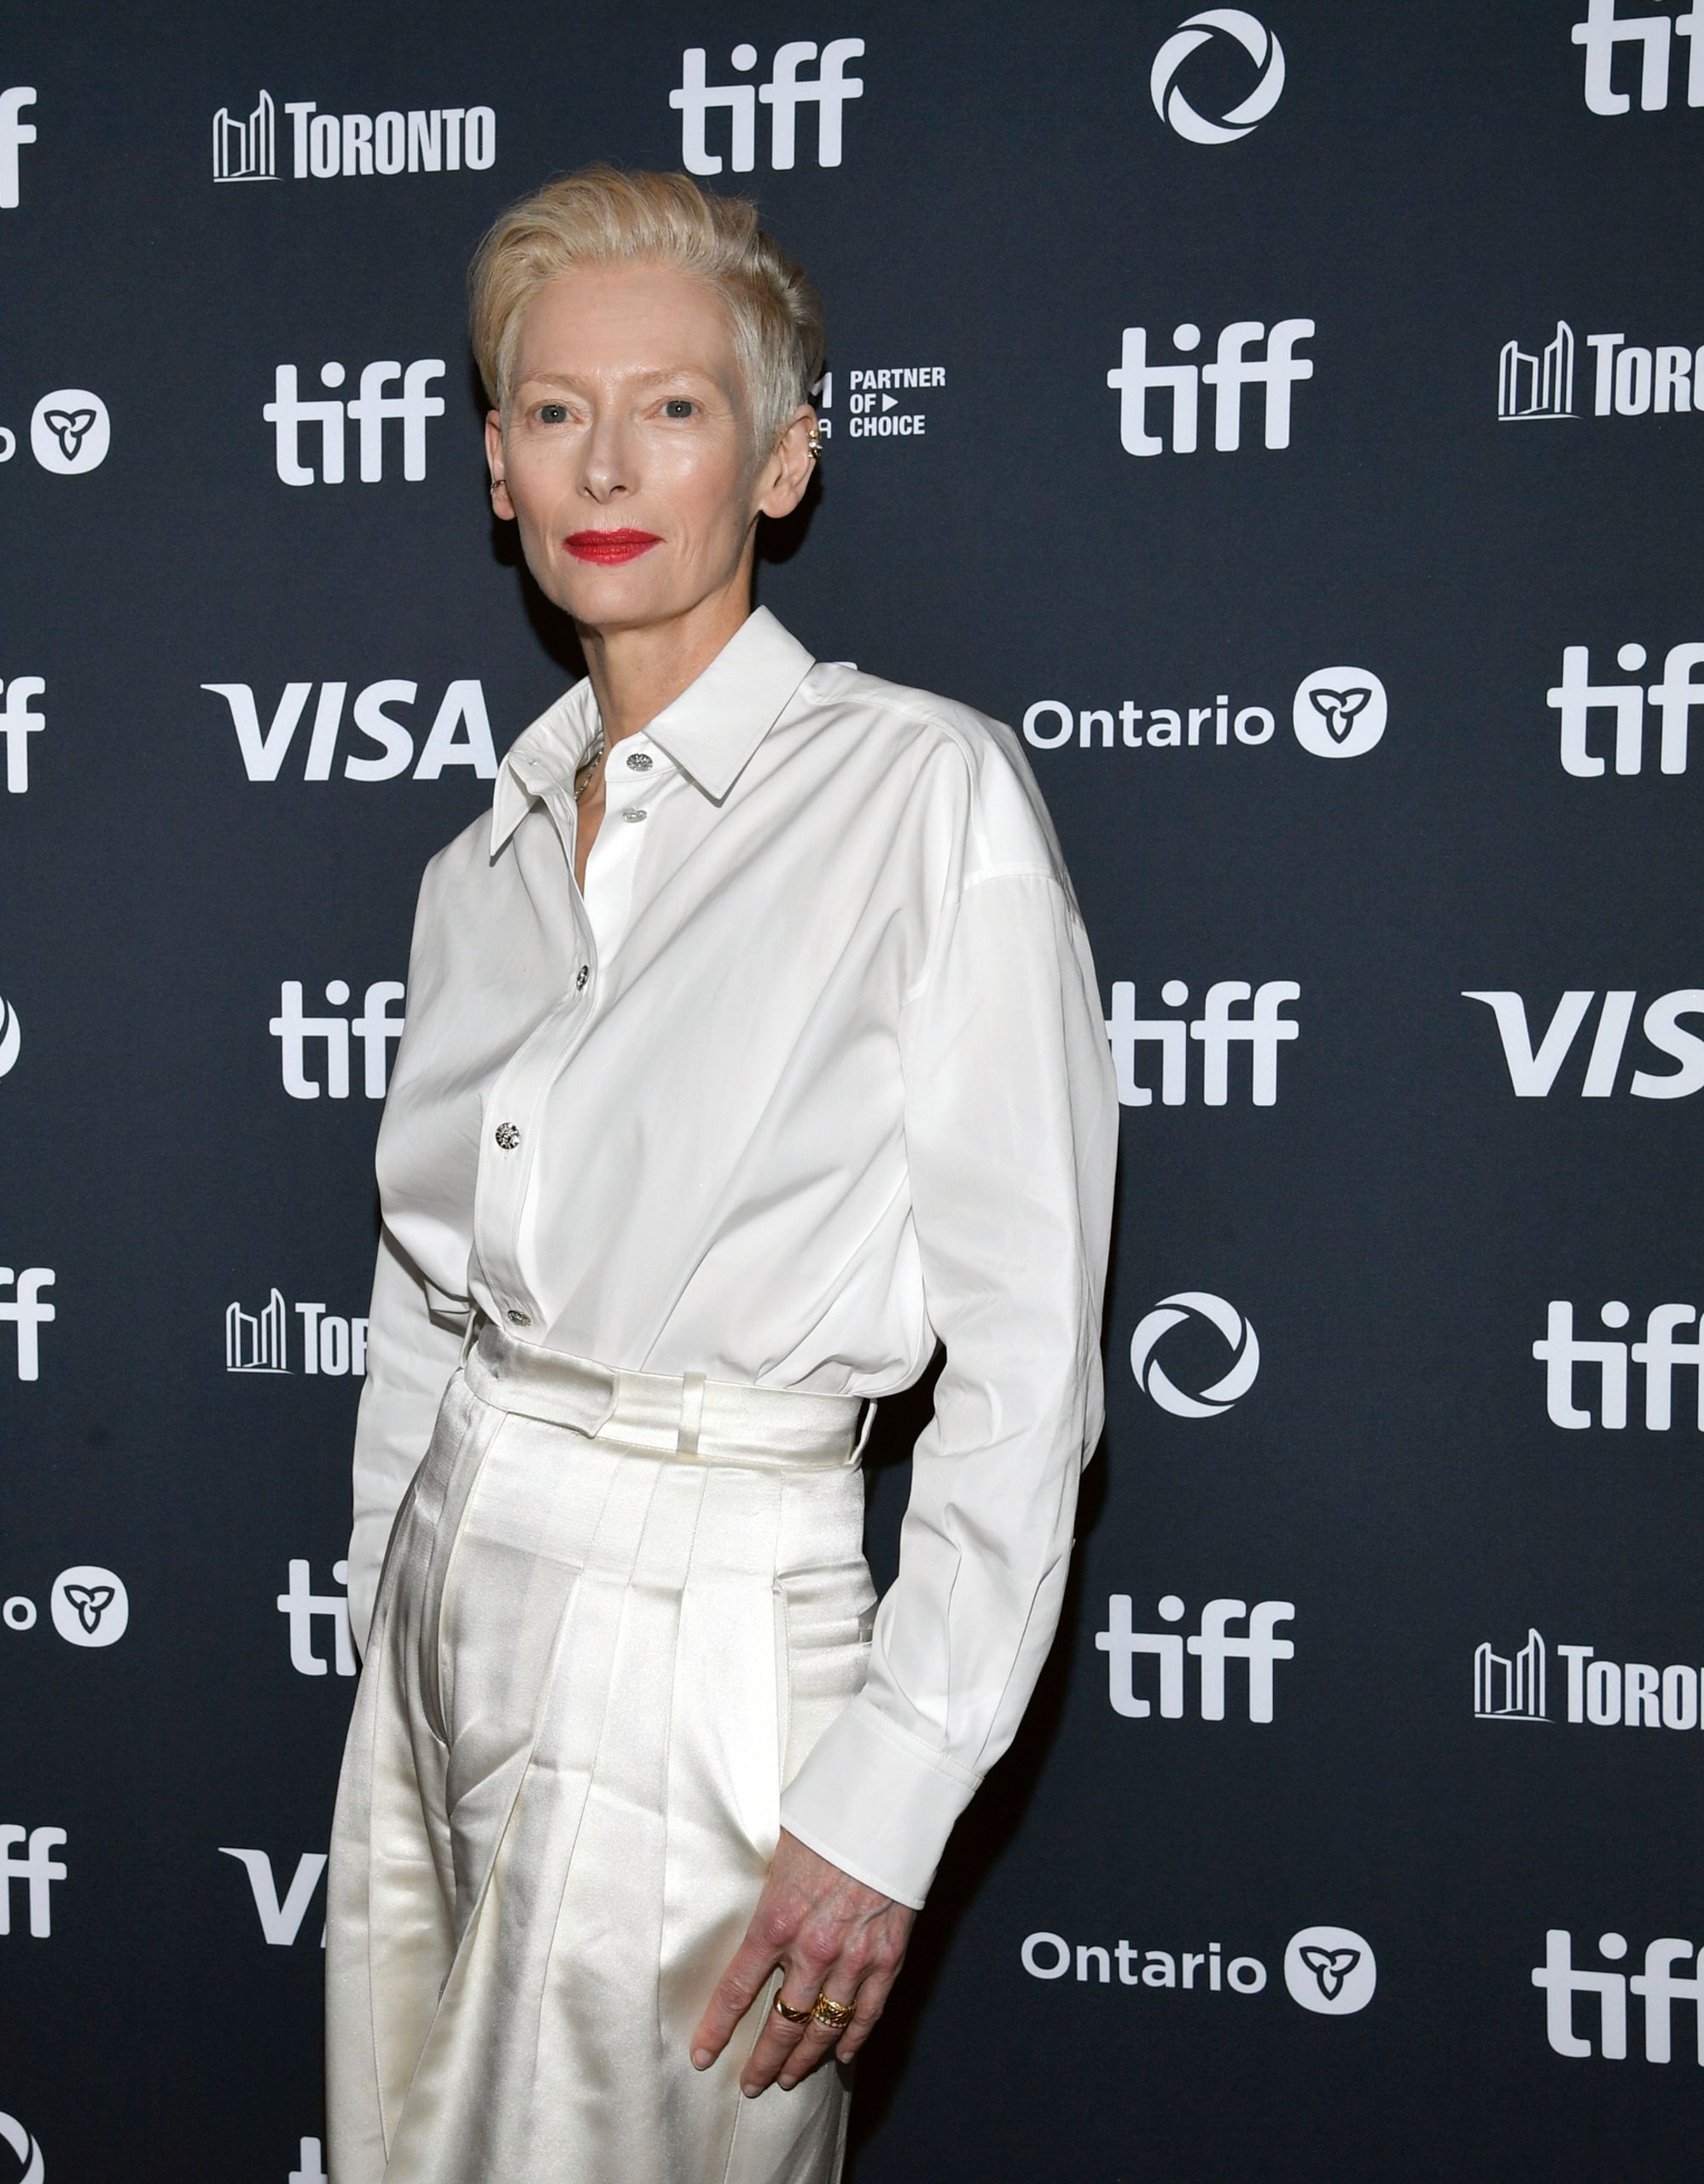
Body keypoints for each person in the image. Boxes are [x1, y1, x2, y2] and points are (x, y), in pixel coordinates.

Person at [323, 167, 1117, 2184]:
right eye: (553, 410)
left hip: (706, 1621)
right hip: (446, 1599)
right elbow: (431, 1295)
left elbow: (1028, 1361)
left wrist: (893, 1788)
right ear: (495, 466)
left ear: (782, 460)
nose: (608, 459)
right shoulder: (477, 860)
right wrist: (380, 1604)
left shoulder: (920, 796)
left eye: (672, 408)